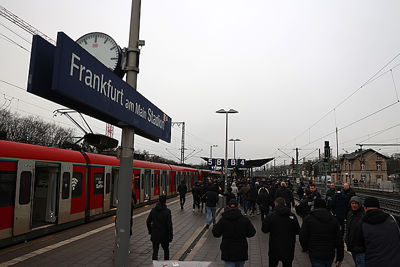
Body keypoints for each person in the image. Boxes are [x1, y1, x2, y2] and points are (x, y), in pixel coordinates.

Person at [300, 199, 344, 267]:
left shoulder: (308, 219)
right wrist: (340, 257)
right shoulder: (334, 220)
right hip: (329, 253)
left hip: (314, 253)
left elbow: (303, 236)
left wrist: (305, 248)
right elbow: (339, 240)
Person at [212, 199, 256, 267]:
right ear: (238, 207)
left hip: (227, 249)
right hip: (241, 249)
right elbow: (252, 232)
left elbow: (216, 233)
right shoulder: (244, 219)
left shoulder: (223, 219)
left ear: (228, 207)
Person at [361, 196, 400, 267]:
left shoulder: (362, 224)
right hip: (395, 262)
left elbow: (359, 247)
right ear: (379, 207)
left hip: (373, 263)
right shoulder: (393, 219)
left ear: (365, 208)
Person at [262, 197, 300, 267]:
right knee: (287, 264)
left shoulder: (271, 216)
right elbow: (297, 231)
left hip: (274, 246)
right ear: (285, 204)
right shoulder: (292, 216)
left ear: (275, 204)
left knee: (272, 264)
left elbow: (264, 230)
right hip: (288, 246)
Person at [146, 195, 173, 260]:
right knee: (166, 251)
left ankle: (154, 264)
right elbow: (169, 225)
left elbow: (148, 221)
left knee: (155, 252)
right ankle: (166, 264)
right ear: (165, 201)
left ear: (158, 201)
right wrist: (170, 236)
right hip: (165, 235)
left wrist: (150, 231)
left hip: (155, 234)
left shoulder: (153, 211)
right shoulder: (167, 211)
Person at [345, 196, 365, 267]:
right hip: (353, 246)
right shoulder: (350, 214)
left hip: (360, 248)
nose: (354, 205)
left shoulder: (363, 215)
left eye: (356, 203)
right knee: (357, 264)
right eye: (352, 203)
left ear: (359, 204)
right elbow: (348, 228)